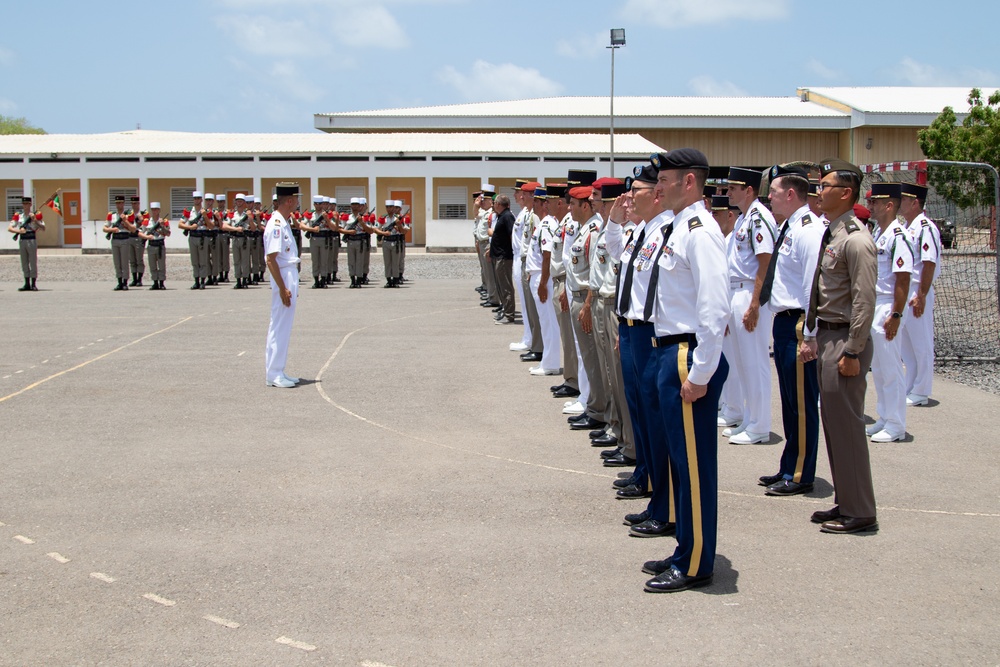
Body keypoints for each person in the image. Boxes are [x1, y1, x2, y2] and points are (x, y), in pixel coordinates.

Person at [641, 148, 730, 593]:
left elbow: (715, 308)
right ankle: (685, 548)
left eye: (666, 178)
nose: (658, 185)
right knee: (680, 461)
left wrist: (700, 372)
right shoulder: (678, 226)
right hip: (667, 352)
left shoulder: (700, 231)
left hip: (686, 355)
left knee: (693, 466)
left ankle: (696, 563)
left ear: (689, 181)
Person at [800, 158, 878, 534]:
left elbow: (864, 300)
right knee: (834, 424)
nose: (819, 191)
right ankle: (846, 500)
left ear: (846, 193)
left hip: (846, 338)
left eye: (825, 185)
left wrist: (852, 351)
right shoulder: (834, 233)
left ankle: (860, 509)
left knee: (847, 426)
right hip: (830, 335)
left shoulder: (857, 239)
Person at [605, 160, 672, 509]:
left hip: (650, 332)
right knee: (637, 408)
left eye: (637, 192)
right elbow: (616, 252)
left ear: (657, 196)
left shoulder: (665, 231)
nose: (630, 198)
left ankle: (658, 486)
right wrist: (615, 221)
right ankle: (644, 472)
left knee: (652, 411)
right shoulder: (640, 232)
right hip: (631, 330)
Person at [758, 165, 825, 496]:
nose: (769, 196)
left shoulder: (808, 230)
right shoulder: (789, 227)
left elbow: (815, 285)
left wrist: (810, 333)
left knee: (801, 402)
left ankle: (801, 474)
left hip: (799, 323)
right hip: (783, 321)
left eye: (773, 191)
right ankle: (789, 465)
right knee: (788, 401)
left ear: (790, 194)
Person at [723, 166, 777, 444]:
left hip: (748, 293)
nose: (729, 191)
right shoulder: (745, 218)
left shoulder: (759, 217)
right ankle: (748, 417)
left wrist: (755, 303)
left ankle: (759, 425)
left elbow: (764, 260)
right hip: (737, 290)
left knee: (754, 362)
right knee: (742, 361)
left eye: (734, 187)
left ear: (749, 190)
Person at [866, 183, 913, 442]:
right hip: (876, 302)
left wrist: (896, 315)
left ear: (889, 205)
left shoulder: (898, 236)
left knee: (891, 367)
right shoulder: (880, 234)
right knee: (880, 367)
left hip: (888, 304)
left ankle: (896, 424)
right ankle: (884, 416)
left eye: (876, 202)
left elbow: (903, 279)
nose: (871, 206)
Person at [565, 186, 609, 426]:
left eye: (573, 204)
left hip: (586, 299)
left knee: (592, 359)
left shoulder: (594, 231)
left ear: (585, 206)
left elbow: (595, 272)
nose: (569, 208)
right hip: (578, 296)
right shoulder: (585, 230)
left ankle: (598, 411)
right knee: (587, 357)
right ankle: (593, 404)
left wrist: (588, 305)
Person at [897, 182, 940, 406]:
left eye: (904, 200)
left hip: (917, 288)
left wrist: (921, 294)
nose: (899, 203)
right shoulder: (907, 226)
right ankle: (911, 385)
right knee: (907, 343)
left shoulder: (925, 227)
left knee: (921, 342)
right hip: (907, 288)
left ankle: (922, 390)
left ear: (915, 202)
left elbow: (929, 262)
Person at [264, 182, 302, 389]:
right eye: (296, 198)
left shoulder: (283, 222)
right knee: (279, 326)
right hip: (283, 276)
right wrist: (282, 288)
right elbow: (271, 259)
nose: (298, 202)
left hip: (288, 275)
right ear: (289, 200)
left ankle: (277, 370)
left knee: (282, 326)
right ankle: (274, 373)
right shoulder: (276, 225)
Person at [524, 186, 562, 374]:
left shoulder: (547, 224)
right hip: (539, 275)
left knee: (548, 322)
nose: (533, 205)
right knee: (545, 321)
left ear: (543, 204)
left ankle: (550, 364)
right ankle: (548, 361)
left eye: (536, 202)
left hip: (542, 276)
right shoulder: (544, 222)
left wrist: (542, 283)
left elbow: (547, 255)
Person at [489, 194, 516, 322]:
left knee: (506, 287)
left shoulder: (507, 216)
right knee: (500, 286)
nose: (493, 205)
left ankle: (509, 314)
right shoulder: (501, 216)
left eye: (494, 203)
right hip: (497, 256)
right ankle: (505, 310)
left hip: (504, 257)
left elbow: (512, 236)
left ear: (499, 204)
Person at [8, 195, 45, 291]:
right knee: (24, 262)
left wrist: (35, 220)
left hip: (31, 238)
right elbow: (10, 228)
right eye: (24, 204)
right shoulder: (18, 215)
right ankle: (26, 283)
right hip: (22, 239)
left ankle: (33, 284)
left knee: (32, 262)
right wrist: (18, 232)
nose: (25, 206)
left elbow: (43, 228)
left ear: (30, 204)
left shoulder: (36, 215)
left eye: (27, 204)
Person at [177, 191, 211, 289]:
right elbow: (180, 224)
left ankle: (203, 281)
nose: (196, 200)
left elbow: (211, 226)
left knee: (203, 260)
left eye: (198, 198)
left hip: (202, 237)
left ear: (201, 199)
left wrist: (205, 216)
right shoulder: (188, 211)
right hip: (192, 236)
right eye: (195, 198)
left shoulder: (206, 212)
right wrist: (190, 227)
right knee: (194, 260)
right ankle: (196, 280)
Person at [103, 194, 135, 291]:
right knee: (117, 262)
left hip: (125, 238)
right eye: (117, 203)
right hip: (115, 238)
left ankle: (125, 282)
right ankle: (119, 282)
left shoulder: (129, 214)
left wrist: (125, 220)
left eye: (120, 202)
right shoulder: (111, 215)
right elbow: (104, 228)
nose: (119, 205)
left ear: (124, 203)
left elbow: (133, 229)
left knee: (124, 262)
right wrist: (112, 229)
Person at [138, 202, 171, 290]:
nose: (155, 211)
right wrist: (147, 237)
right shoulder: (147, 221)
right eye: (153, 209)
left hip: (160, 244)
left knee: (161, 265)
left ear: (159, 210)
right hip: (151, 245)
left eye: (156, 209)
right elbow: (140, 232)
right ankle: (155, 282)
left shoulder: (164, 221)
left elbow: (168, 234)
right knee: (152, 265)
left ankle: (161, 282)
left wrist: (163, 226)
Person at [222, 194, 252, 289]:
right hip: (235, 238)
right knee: (236, 260)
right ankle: (238, 280)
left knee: (245, 260)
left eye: (241, 201)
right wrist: (235, 229)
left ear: (244, 203)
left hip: (244, 239)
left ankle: (245, 280)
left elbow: (254, 228)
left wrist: (250, 219)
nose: (238, 202)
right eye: (237, 201)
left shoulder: (247, 214)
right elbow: (224, 226)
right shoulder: (231, 214)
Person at [127, 195, 145, 287]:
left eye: (135, 203)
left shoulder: (143, 213)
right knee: (132, 260)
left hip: (139, 237)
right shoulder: (129, 214)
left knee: (139, 259)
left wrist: (141, 219)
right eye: (132, 203)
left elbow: (146, 224)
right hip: (130, 237)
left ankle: (139, 279)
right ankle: (134, 279)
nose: (134, 205)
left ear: (138, 204)